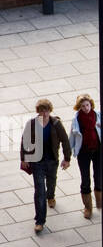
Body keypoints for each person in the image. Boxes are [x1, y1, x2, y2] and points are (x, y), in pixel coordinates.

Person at [20, 99, 71, 233]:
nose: (44, 113)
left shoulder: (56, 124)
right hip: (37, 161)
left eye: (46, 110)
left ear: (50, 110)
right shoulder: (32, 124)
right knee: (39, 191)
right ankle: (40, 221)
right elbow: (24, 140)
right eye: (42, 110)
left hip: (51, 160)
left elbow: (65, 141)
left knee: (51, 180)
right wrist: (24, 158)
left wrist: (67, 158)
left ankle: (51, 196)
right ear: (38, 111)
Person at [70, 93, 103, 220]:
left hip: (98, 150)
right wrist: (68, 155)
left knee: (98, 176)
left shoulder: (97, 115)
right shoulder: (77, 119)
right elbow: (72, 136)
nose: (86, 108)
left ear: (91, 104)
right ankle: (88, 207)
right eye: (83, 106)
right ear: (79, 107)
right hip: (84, 152)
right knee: (85, 179)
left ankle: (100, 203)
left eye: (87, 105)